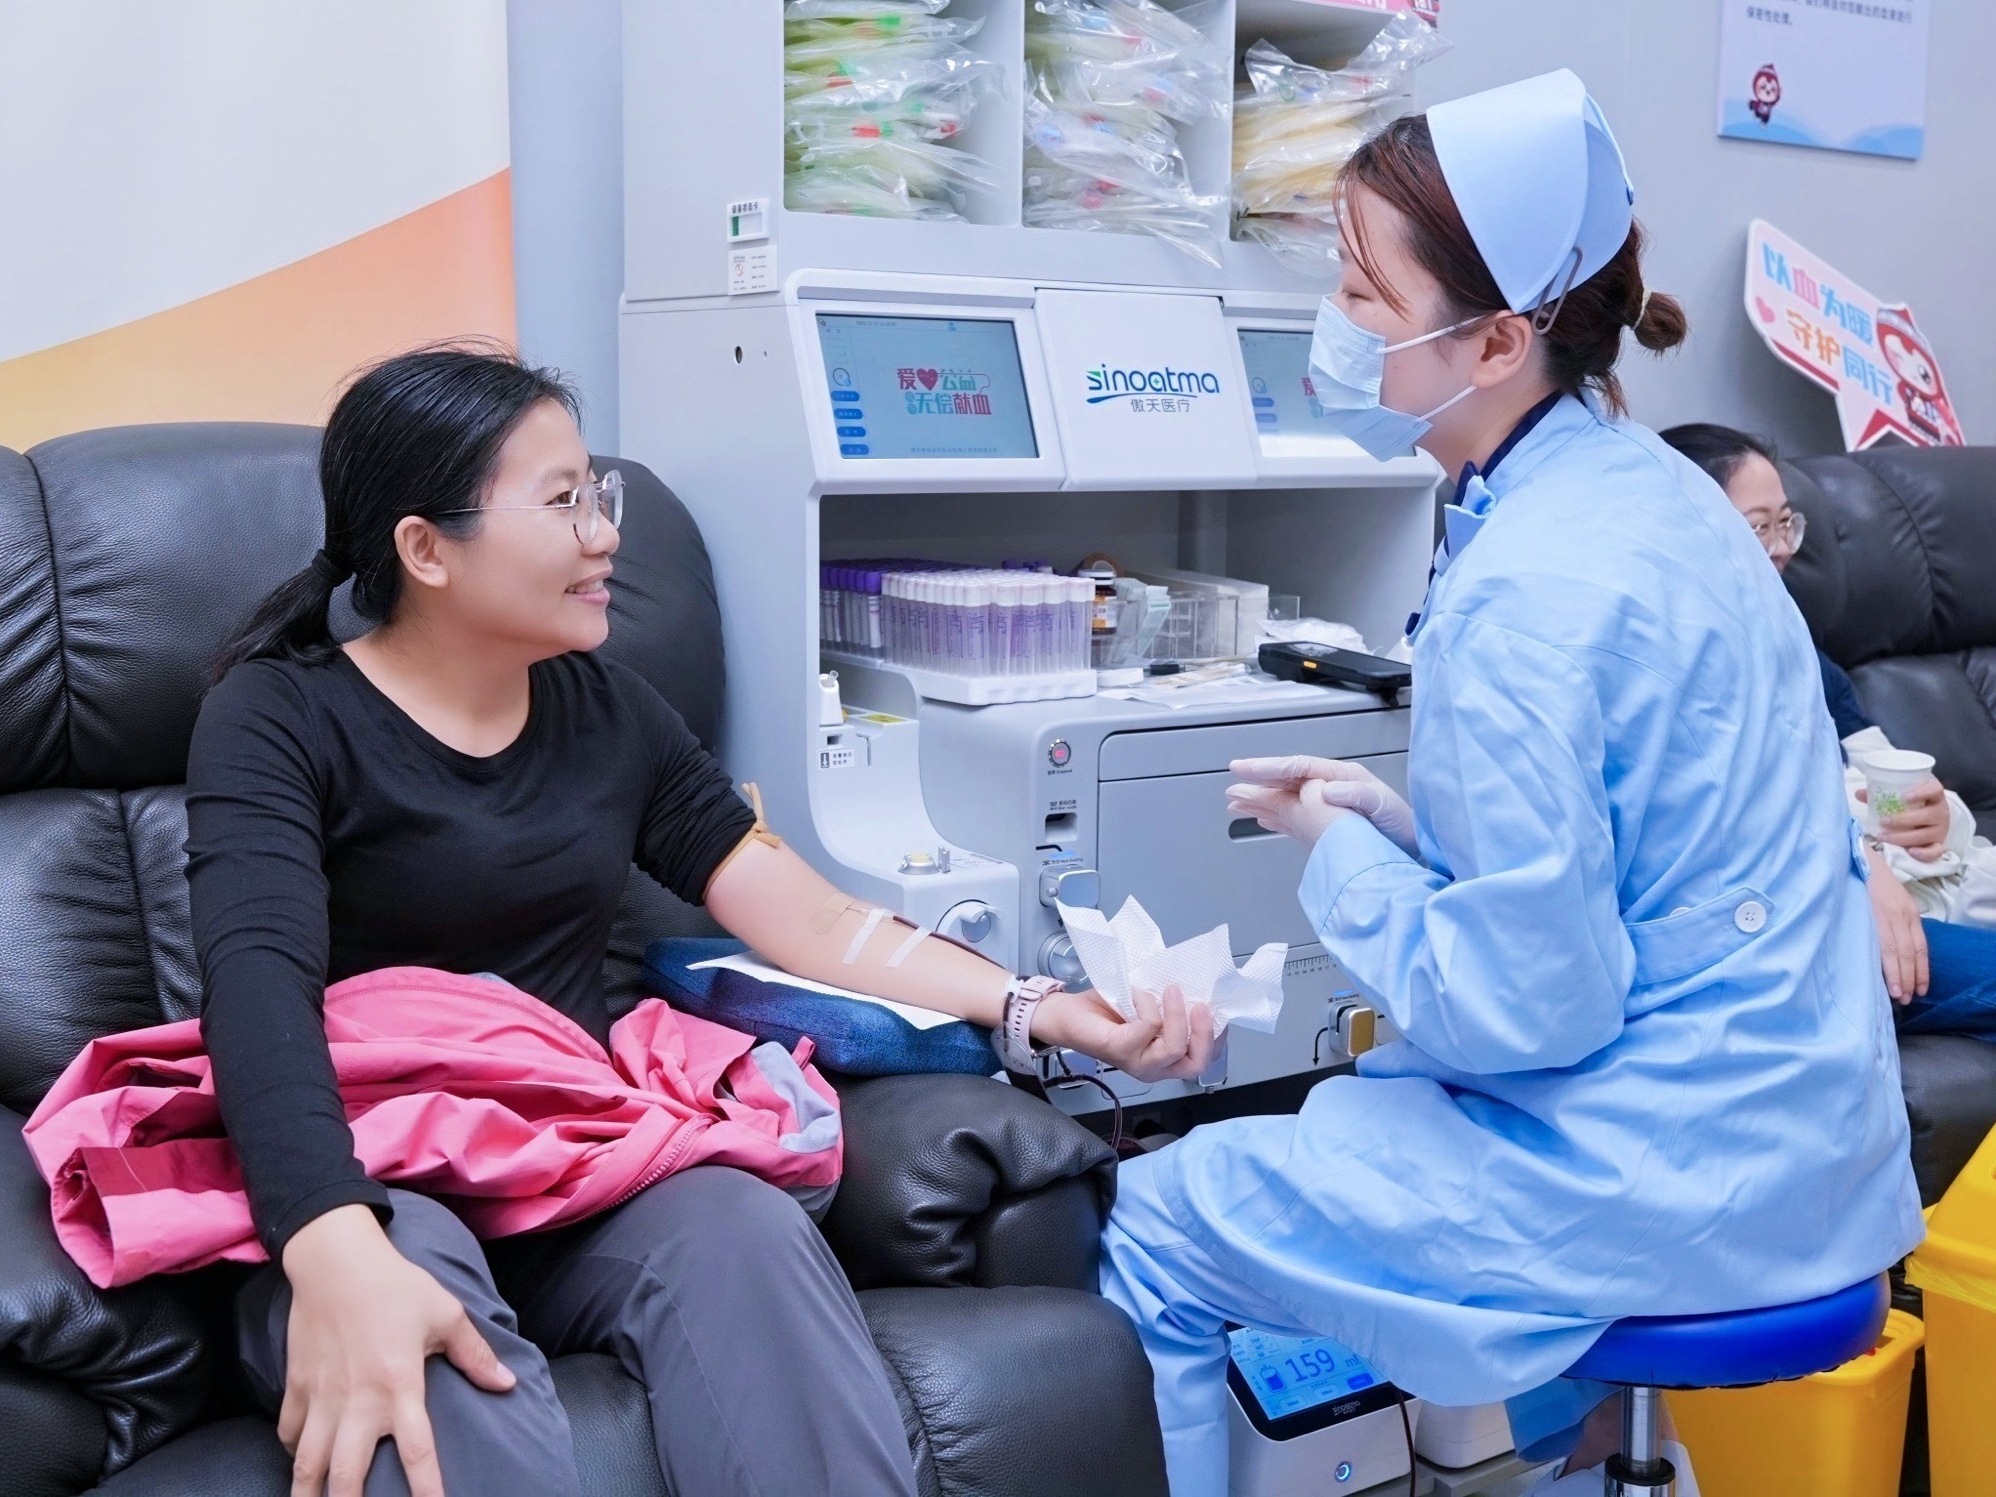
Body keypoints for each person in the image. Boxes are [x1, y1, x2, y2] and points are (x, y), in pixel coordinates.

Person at [1093, 72, 1923, 1497]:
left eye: (1360, 292)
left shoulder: (1523, 591)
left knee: (1157, 1221)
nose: (1332, 321)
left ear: (1492, 340)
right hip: (1811, 1162)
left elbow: (1530, 1011)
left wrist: (1342, 856)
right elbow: (1658, 839)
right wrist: (1402, 818)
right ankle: (1592, 1457)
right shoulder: (1661, 497)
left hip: (1658, 1183)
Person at [186, 346, 1211, 1497]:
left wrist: (1045, 1010)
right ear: (426, 549)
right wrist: (332, 1242)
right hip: (374, 1172)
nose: (602, 537)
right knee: (416, 1329)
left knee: (741, 1226)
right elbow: (257, 989)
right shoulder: (277, 715)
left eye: (599, 496)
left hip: (566, 1159)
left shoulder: (611, 712)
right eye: (562, 503)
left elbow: (810, 919)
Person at [1660, 421, 1996, 1039]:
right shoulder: (1666, 668)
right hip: (1799, 915)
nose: (1782, 548)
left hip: (1905, 882)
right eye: (1758, 527)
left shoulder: (1802, 653)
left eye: (1786, 523)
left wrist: (1937, 813)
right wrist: (1857, 864)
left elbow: (1882, 770)